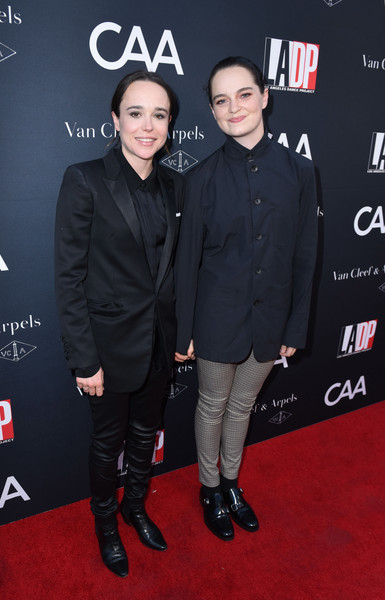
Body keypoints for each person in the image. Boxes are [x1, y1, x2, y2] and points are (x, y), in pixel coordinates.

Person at [174, 56, 318, 541]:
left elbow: (305, 255)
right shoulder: (200, 179)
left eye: (243, 94)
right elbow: (188, 263)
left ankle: (232, 484)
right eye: (221, 100)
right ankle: (209, 488)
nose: (234, 107)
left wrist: (295, 325)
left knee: (242, 406)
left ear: (265, 96)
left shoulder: (301, 171)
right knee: (213, 404)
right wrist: (185, 330)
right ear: (213, 112)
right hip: (216, 320)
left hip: (272, 320)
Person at [55, 70, 183, 577]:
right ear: (115, 119)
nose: (147, 126)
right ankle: (106, 525)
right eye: (136, 113)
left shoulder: (176, 185)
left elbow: (176, 271)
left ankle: (135, 508)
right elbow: (69, 277)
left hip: (160, 343)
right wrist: (83, 359)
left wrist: (181, 333)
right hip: (107, 350)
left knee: (146, 434)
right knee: (108, 444)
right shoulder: (84, 179)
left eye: (159, 115)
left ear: (169, 125)